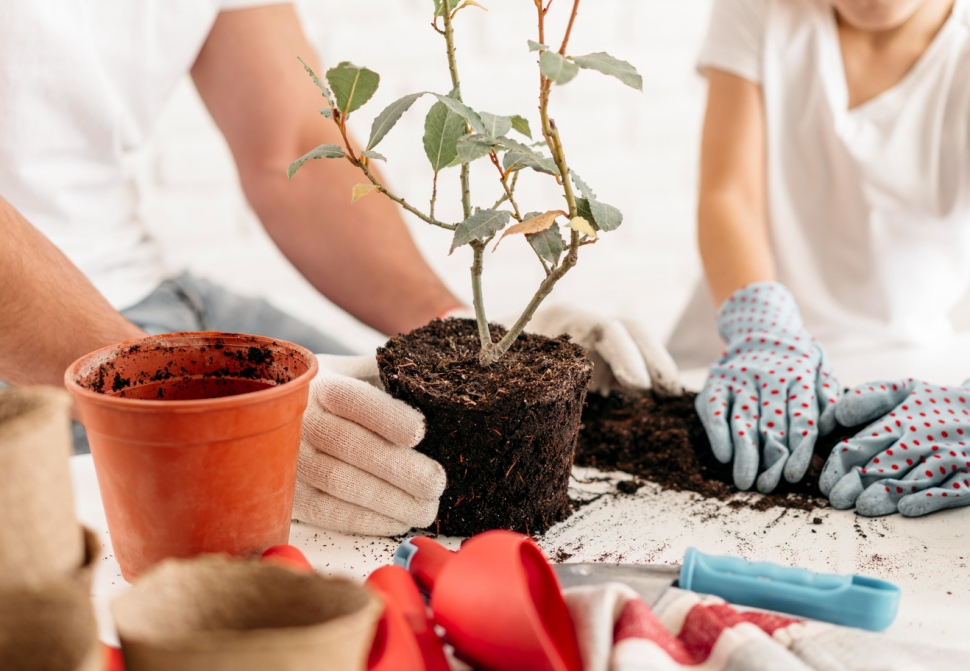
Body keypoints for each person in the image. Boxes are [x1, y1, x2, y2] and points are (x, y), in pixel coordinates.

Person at [0, 2, 676, 536]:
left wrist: (460, 336)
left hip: (153, 292)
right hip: (28, 348)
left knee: (390, 434)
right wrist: (186, 405)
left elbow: (290, 142)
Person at [671, 0, 970, 515]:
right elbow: (729, 194)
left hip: (904, 382)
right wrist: (761, 325)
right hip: (737, 364)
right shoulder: (759, 11)